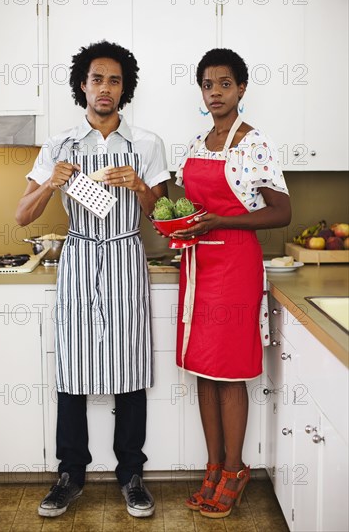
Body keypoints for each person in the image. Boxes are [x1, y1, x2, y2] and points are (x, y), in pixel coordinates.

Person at [15, 40, 170, 518]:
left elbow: (164, 219)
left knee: (130, 366)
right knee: (73, 368)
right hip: (79, 257)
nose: (105, 88)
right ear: (82, 84)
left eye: (115, 80)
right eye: (97, 79)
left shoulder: (147, 143)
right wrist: (50, 182)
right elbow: (23, 216)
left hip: (126, 254)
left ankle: (132, 474)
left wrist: (141, 187)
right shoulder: (58, 144)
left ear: (126, 89)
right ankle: (70, 473)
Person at [172, 48, 291, 519]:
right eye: (208, 84)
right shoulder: (199, 142)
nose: (215, 92)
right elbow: (187, 203)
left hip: (235, 268)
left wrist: (219, 221)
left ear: (241, 88)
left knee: (228, 372)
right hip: (197, 263)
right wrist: (182, 223)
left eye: (225, 83)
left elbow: (282, 212)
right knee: (202, 369)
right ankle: (214, 465)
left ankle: (236, 468)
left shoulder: (253, 143)